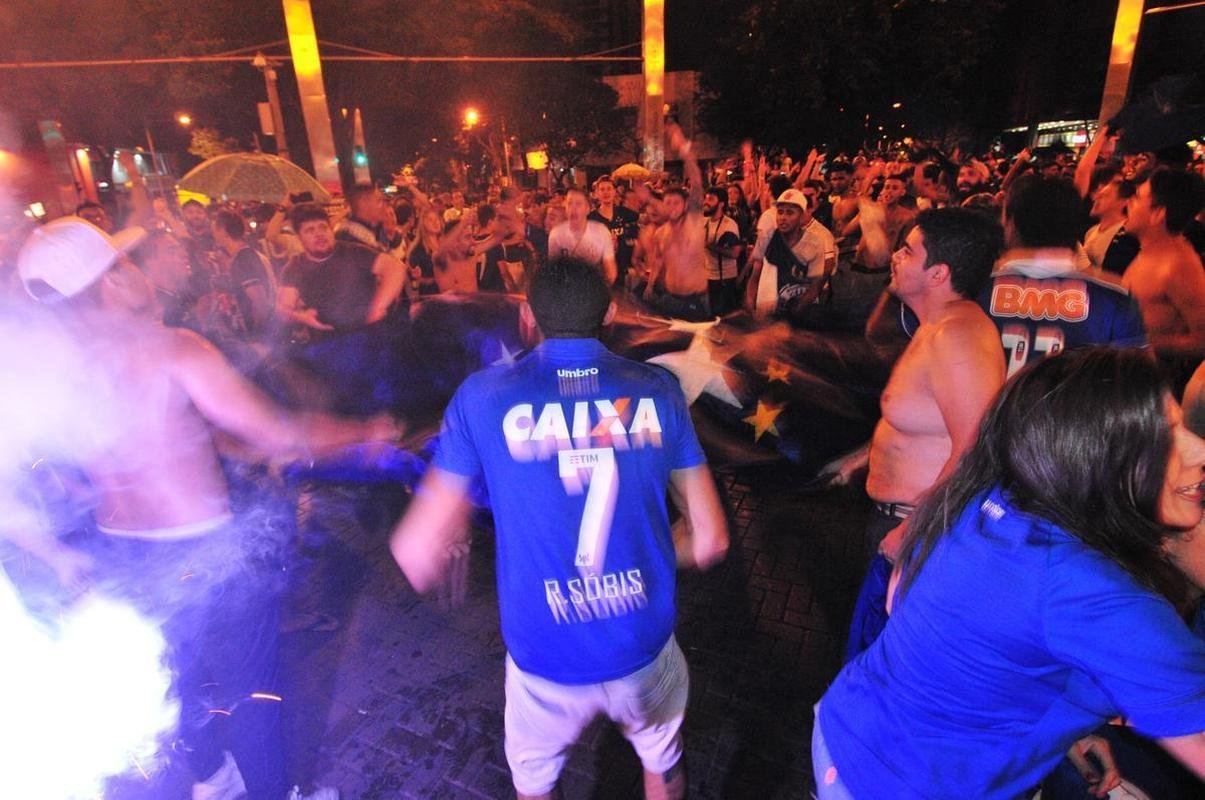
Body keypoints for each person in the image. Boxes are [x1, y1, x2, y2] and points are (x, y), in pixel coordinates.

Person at [15, 216, 403, 800]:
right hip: (200, 546)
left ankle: (211, 780)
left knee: (181, 680)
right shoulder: (172, 348)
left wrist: (234, 448)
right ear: (109, 284)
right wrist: (366, 430)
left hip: (120, 550)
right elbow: (279, 430)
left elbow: (153, 436)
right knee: (252, 689)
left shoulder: (57, 373)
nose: (136, 270)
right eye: (123, 264)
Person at [390, 255, 729, 800]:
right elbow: (711, 538)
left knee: (537, 784)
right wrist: (645, 563)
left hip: (543, 654)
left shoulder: (481, 397)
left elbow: (414, 551)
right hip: (641, 642)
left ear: (528, 317)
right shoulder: (659, 392)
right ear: (611, 314)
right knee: (662, 763)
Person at [814, 348, 1205, 800]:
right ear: (1101, 460)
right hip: (897, 784)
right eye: (1169, 434)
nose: (1198, 450)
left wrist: (1058, 730)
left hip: (848, 728)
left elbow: (905, 598)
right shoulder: (1097, 593)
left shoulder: (994, 498)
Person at [836, 209, 1006, 657]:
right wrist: (865, 455)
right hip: (903, 523)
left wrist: (914, 528)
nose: (894, 256)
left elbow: (976, 450)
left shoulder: (959, 336)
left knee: (895, 668)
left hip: (921, 533)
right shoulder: (935, 327)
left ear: (938, 272)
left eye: (907, 250)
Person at [1122, 168, 1205, 389]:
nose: (1128, 202)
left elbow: (1202, 339)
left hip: (1153, 387)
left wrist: (1147, 341)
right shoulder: (1150, 250)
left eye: (1137, 197)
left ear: (1158, 213)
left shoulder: (1179, 265)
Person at [277, 203, 408, 336]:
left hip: (368, 336)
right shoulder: (295, 267)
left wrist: (377, 309)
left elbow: (395, 268)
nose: (319, 234)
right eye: (310, 230)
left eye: (323, 227)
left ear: (330, 229)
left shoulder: (353, 252)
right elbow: (282, 308)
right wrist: (300, 317)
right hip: (326, 343)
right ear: (299, 238)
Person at [643, 122, 711, 321]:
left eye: (676, 202)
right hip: (670, 299)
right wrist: (650, 285)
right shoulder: (661, 232)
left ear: (685, 205)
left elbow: (696, 181)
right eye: (668, 203)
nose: (671, 206)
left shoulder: (694, 221)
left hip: (697, 300)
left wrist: (683, 148)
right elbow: (657, 260)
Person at [743, 189, 833, 320]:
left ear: (802, 215)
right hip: (766, 312)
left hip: (801, 316)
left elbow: (816, 285)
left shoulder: (816, 242)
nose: (783, 217)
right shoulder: (766, 239)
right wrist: (751, 304)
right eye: (780, 212)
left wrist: (795, 313)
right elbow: (755, 275)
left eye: (790, 213)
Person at [547, 187, 617, 285]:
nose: (573, 209)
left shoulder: (601, 232)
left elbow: (610, 271)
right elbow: (554, 269)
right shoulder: (556, 234)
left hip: (594, 287)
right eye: (570, 203)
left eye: (578, 204)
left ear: (588, 209)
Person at [588, 175, 639, 288]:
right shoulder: (591, 218)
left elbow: (645, 218)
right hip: (601, 270)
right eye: (602, 189)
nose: (606, 192)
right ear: (596, 194)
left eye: (609, 188)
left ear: (615, 192)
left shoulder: (624, 213)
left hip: (622, 269)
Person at [701, 186, 743, 315]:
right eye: (706, 198)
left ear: (721, 204)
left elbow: (735, 253)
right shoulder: (703, 221)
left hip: (724, 281)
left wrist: (710, 246)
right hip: (707, 278)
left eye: (711, 199)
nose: (706, 202)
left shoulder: (729, 225)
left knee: (723, 320)